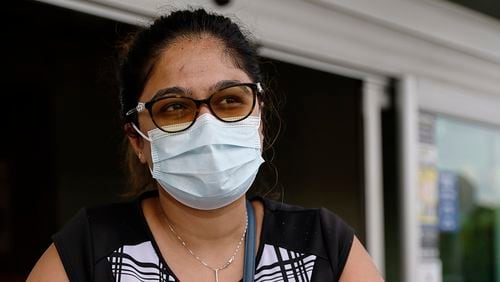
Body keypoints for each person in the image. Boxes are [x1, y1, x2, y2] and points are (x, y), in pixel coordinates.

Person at [28, 8, 383, 281]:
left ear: (260, 117)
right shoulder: (89, 251)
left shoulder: (322, 244)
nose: (207, 125)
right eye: (174, 108)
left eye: (230, 100)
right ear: (137, 139)